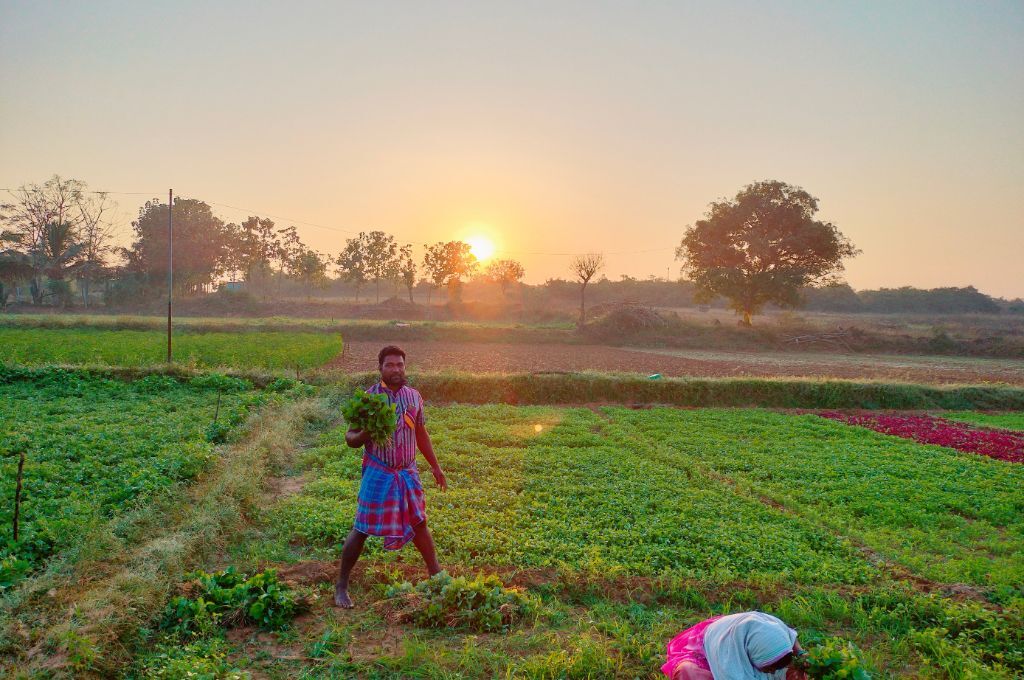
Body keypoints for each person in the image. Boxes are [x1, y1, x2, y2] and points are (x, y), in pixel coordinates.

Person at [333, 345, 448, 609]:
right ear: (380, 368)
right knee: (361, 528)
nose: (396, 369)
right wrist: (365, 435)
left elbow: (421, 433)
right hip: (379, 470)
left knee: (419, 523)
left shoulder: (414, 397)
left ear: (405, 367)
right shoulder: (368, 398)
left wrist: (435, 466)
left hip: (407, 471)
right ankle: (341, 585)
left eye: (400, 365)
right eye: (390, 365)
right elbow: (350, 438)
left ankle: (437, 576)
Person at [662, 611, 806, 679]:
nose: (772, 671)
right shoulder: (728, 656)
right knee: (689, 673)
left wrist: (800, 653)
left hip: (741, 636)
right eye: (770, 668)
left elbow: (789, 635)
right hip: (705, 648)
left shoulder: (773, 629)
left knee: (797, 672)